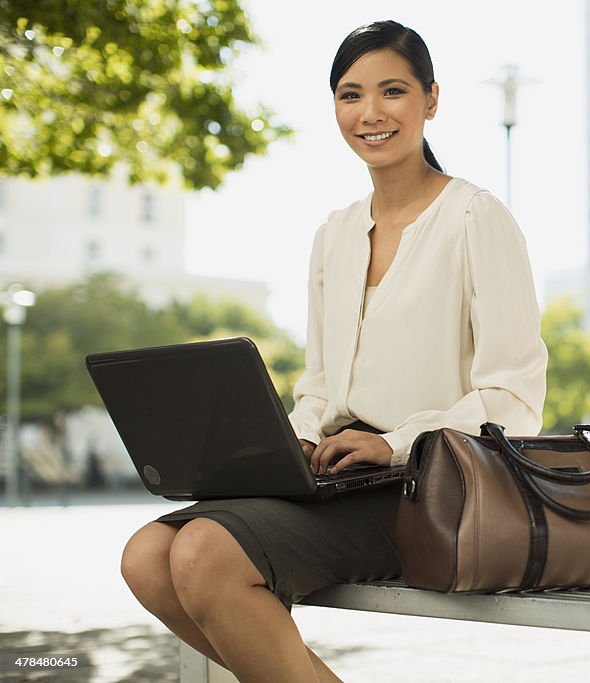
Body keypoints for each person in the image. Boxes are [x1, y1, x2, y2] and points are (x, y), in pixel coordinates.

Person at [118, 20, 547, 682]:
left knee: (205, 552)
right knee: (148, 554)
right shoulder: (335, 234)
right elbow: (318, 389)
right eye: (350, 95)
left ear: (431, 100)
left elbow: (514, 399)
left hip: (427, 486)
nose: (370, 113)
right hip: (338, 477)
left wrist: (396, 441)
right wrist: (271, 450)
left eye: (392, 91)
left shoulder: (475, 218)